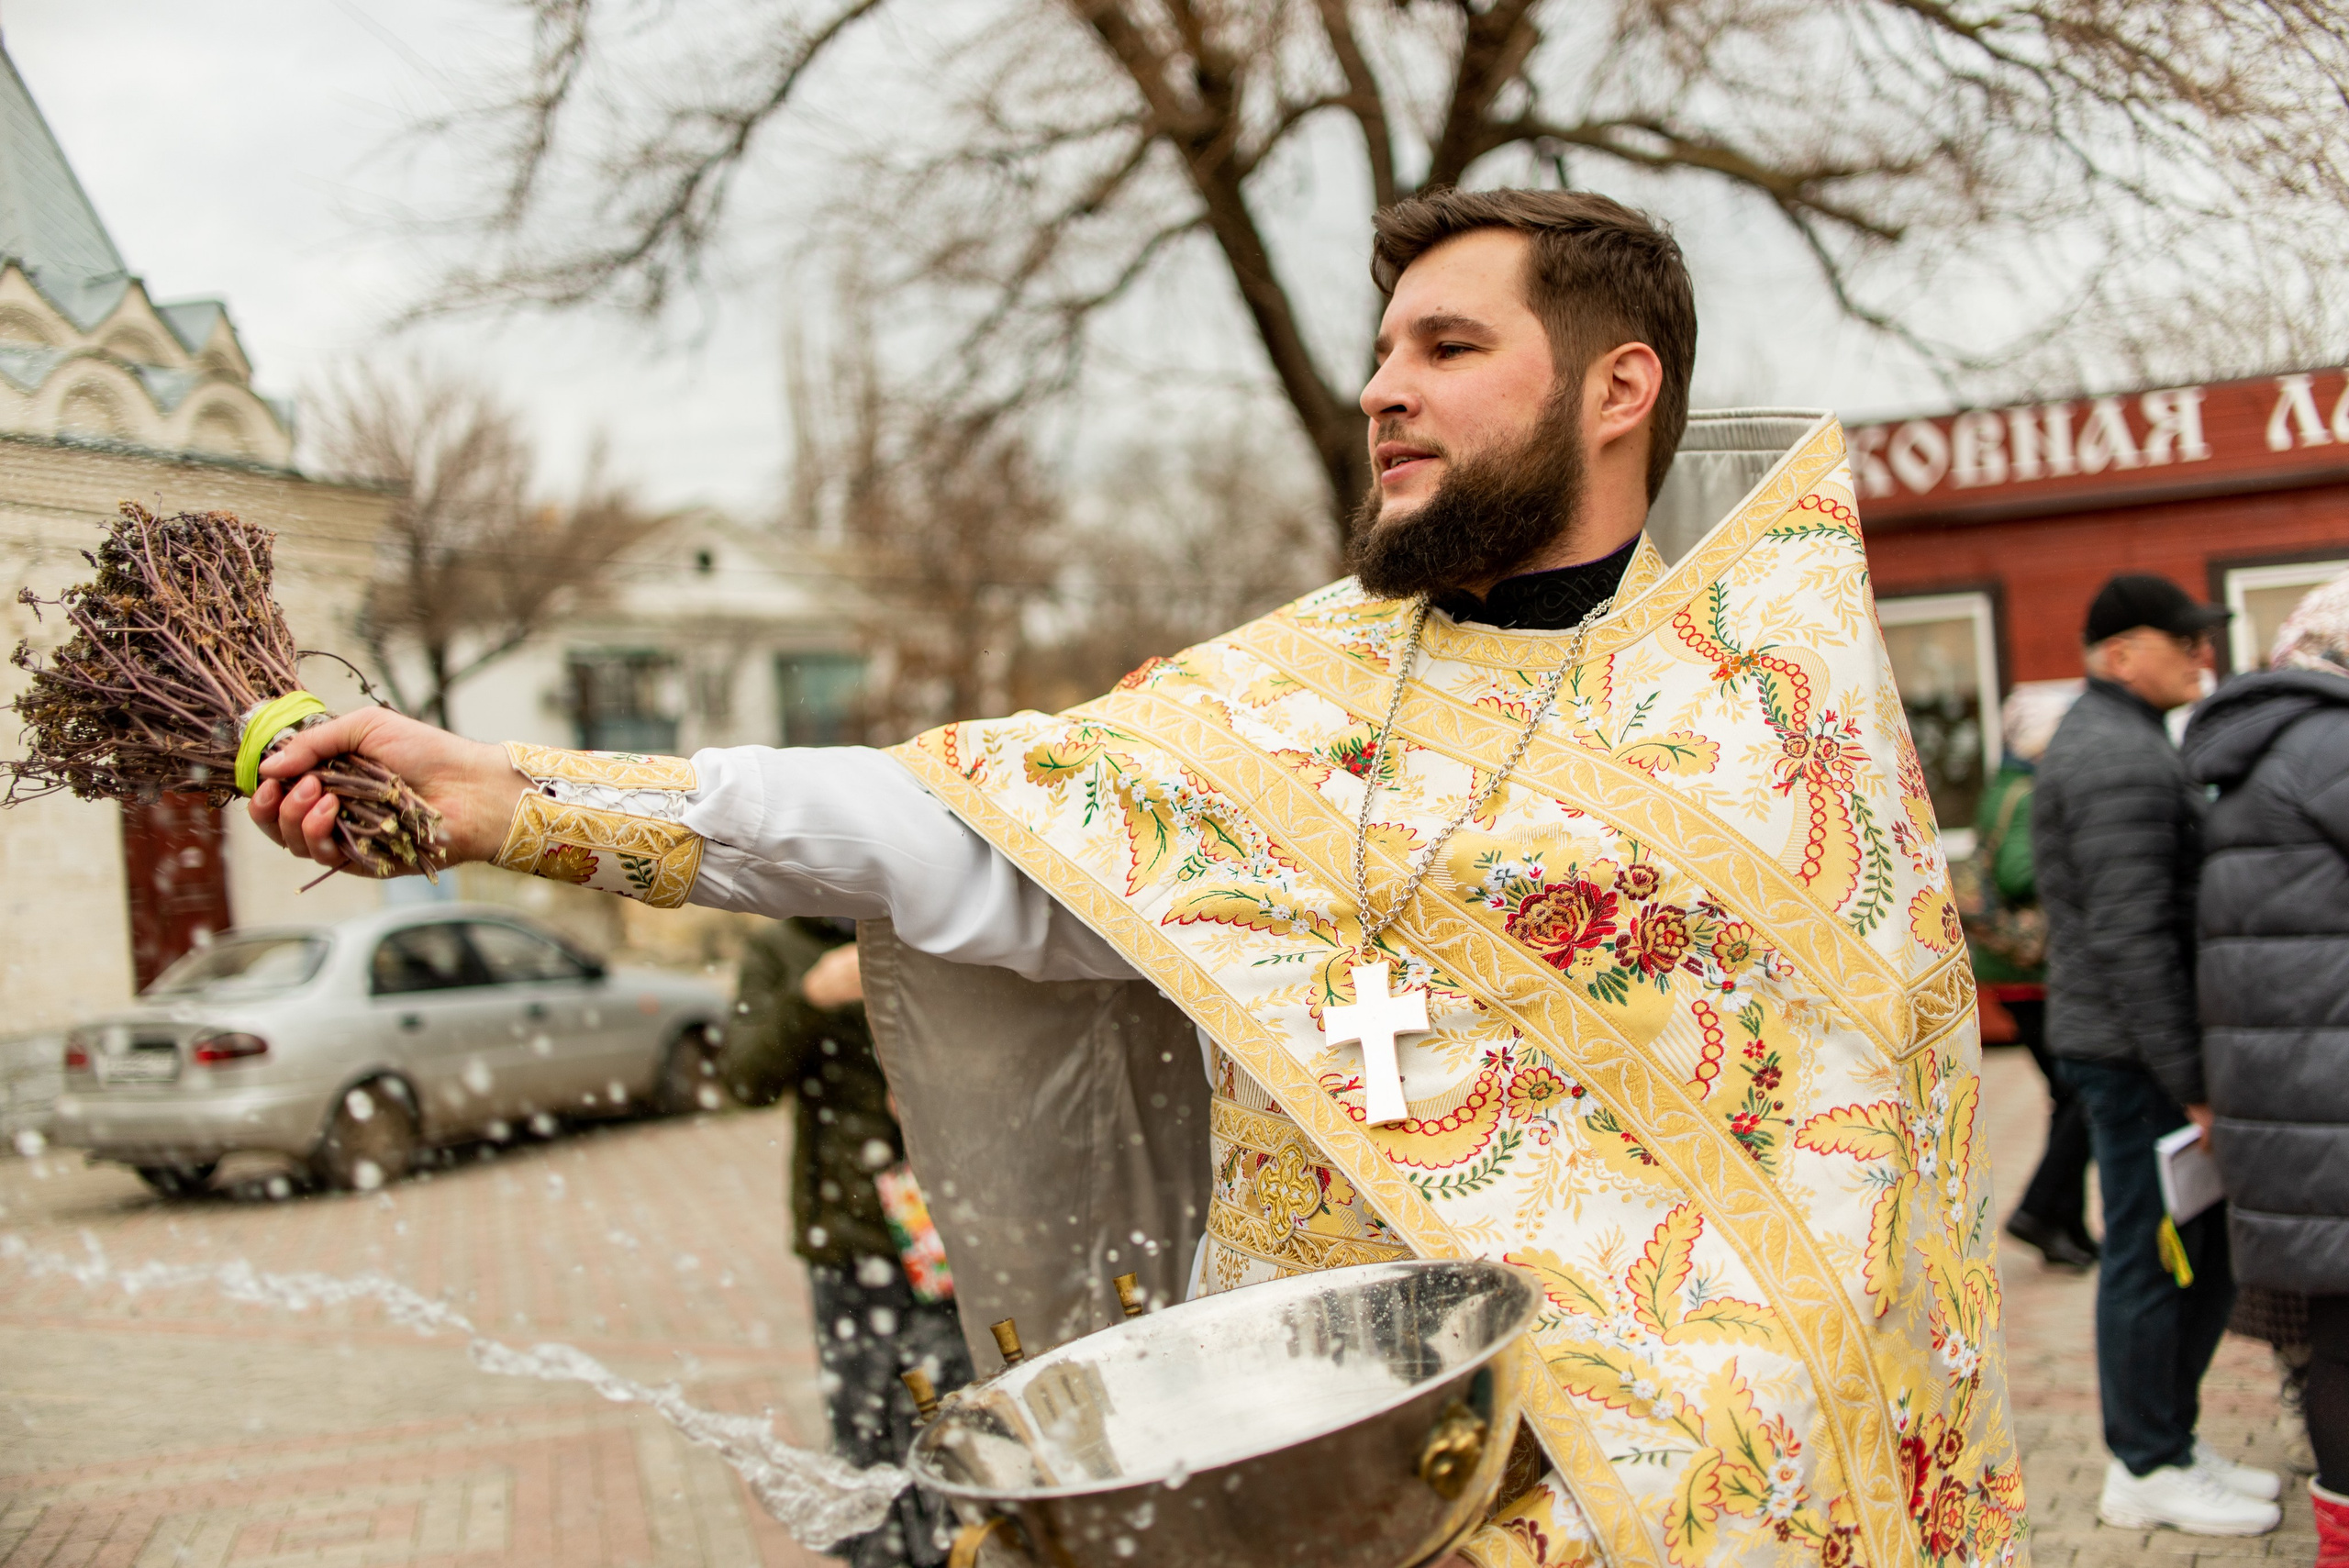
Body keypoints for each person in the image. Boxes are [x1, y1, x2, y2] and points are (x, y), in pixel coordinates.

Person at [247, 190, 2022, 1567]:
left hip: (1694, 1479)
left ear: (1618, 387)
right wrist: (515, 796)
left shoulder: (1774, 720)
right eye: (1381, 349)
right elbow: (963, 825)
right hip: (1335, 1470)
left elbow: (1872, 1145)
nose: (1382, 388)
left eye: (1447, 345)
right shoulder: (1292, 696)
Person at [2034, 572, 2281, 1535]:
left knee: (2192, 1253)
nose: (2202, 655)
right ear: (2119, 653)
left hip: (2134, 1049)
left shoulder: (2128, 739)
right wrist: (2192, 1082)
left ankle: (2168, 1437)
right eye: (2183, 640)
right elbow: (2134, 937)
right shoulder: (2116, 757)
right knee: (2151, 1254)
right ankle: (2143, 1461)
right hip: (2135, 1057)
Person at [2183, 573, 2349, 1562]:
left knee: (2336, 1330)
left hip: (2291, 1088)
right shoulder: (2330, 742)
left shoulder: (2265, 746)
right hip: (2331, 1086)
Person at [727, 917, 972, 1568]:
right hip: (849, 1240)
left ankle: (962, 1548)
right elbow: (744, 1079)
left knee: (960, 1420)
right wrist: (810, 997)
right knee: (866, 1432)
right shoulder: (783, 948)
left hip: (951, 1226)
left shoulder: (927, 922)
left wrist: (938, 1081)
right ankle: (883, 1554)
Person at [1972, 682, 2098, 1270]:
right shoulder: (2026, 793)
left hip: (2016, 971)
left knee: (2070, 1095)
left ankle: (2066, 1226)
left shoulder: (2005, 786)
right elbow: (2020, 873)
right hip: (2032, 970)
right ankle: (2040, 1211)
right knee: (2081, 1095)